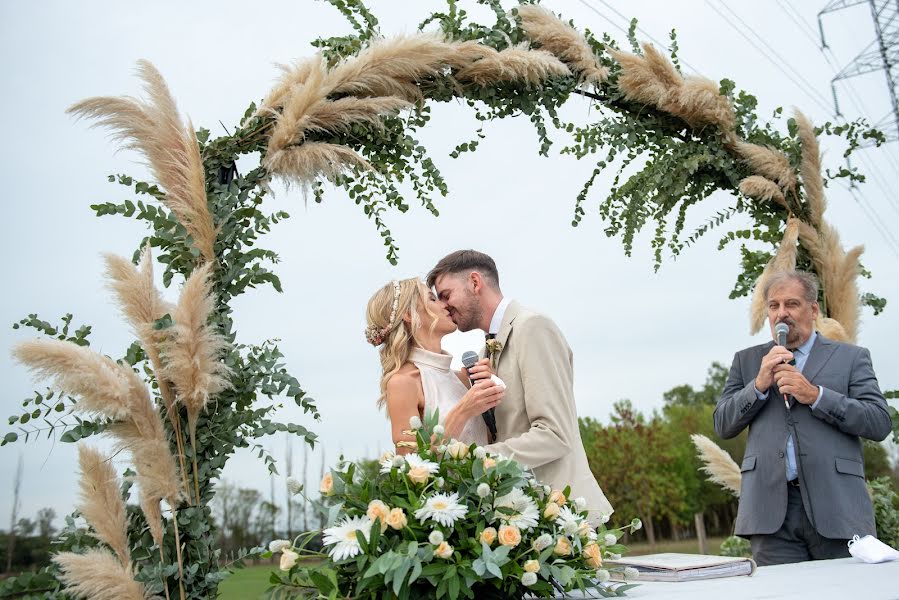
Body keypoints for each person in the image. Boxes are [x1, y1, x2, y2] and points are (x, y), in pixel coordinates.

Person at [714, 270, 892, 566]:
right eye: (774, 306)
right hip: (770, 513)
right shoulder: (746, 361)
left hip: (837, 507)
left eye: (791, 304)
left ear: (813, 309)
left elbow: (878, 422)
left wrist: (817, 395)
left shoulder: (851, 357)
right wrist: (757, 386)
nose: (781, 314)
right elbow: (723, 424)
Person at [427, 250, 613, 519]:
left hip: (567, 517)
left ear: (475, 283)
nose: (444, 306)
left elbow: (555, 435)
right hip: (524, 517)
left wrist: (476, 462)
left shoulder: (533, 328)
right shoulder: (483, 354)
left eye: (446, 295)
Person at [365, 278, 505, 453]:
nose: (445, 305)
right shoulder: (402, 383)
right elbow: (410, 464)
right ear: (408, 314)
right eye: (432, 298)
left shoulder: (462, 377)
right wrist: (463, 411)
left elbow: (487, 443)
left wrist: (491, 392)